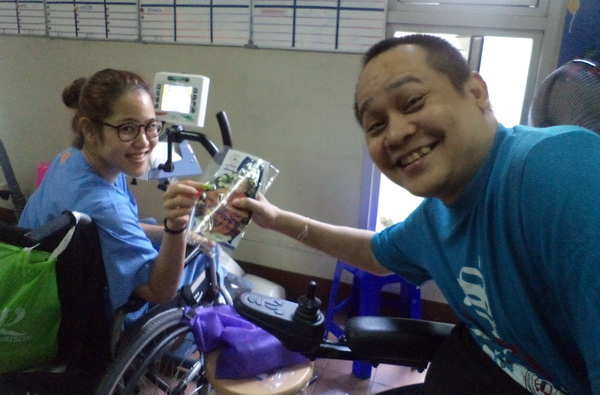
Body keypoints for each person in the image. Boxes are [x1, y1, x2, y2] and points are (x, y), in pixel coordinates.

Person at [232, 35, 600, 394]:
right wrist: (275, 219)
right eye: (376, 125)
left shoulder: (559, 171)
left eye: (412, 102)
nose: (394, 135)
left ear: (475, 92)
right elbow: (375, 253)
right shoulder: (437, 217)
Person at [19, 69, 214, 321]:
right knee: (206, 262)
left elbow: (112, 227)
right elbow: (159, 292)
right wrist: (176, 228)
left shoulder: (69, 159)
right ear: (89, 130)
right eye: (127, 129)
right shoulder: (104, 204)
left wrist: (185, 235)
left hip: (35, 281)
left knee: (184, 241)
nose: (144, 142)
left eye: (151, 126)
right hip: (84, 312)